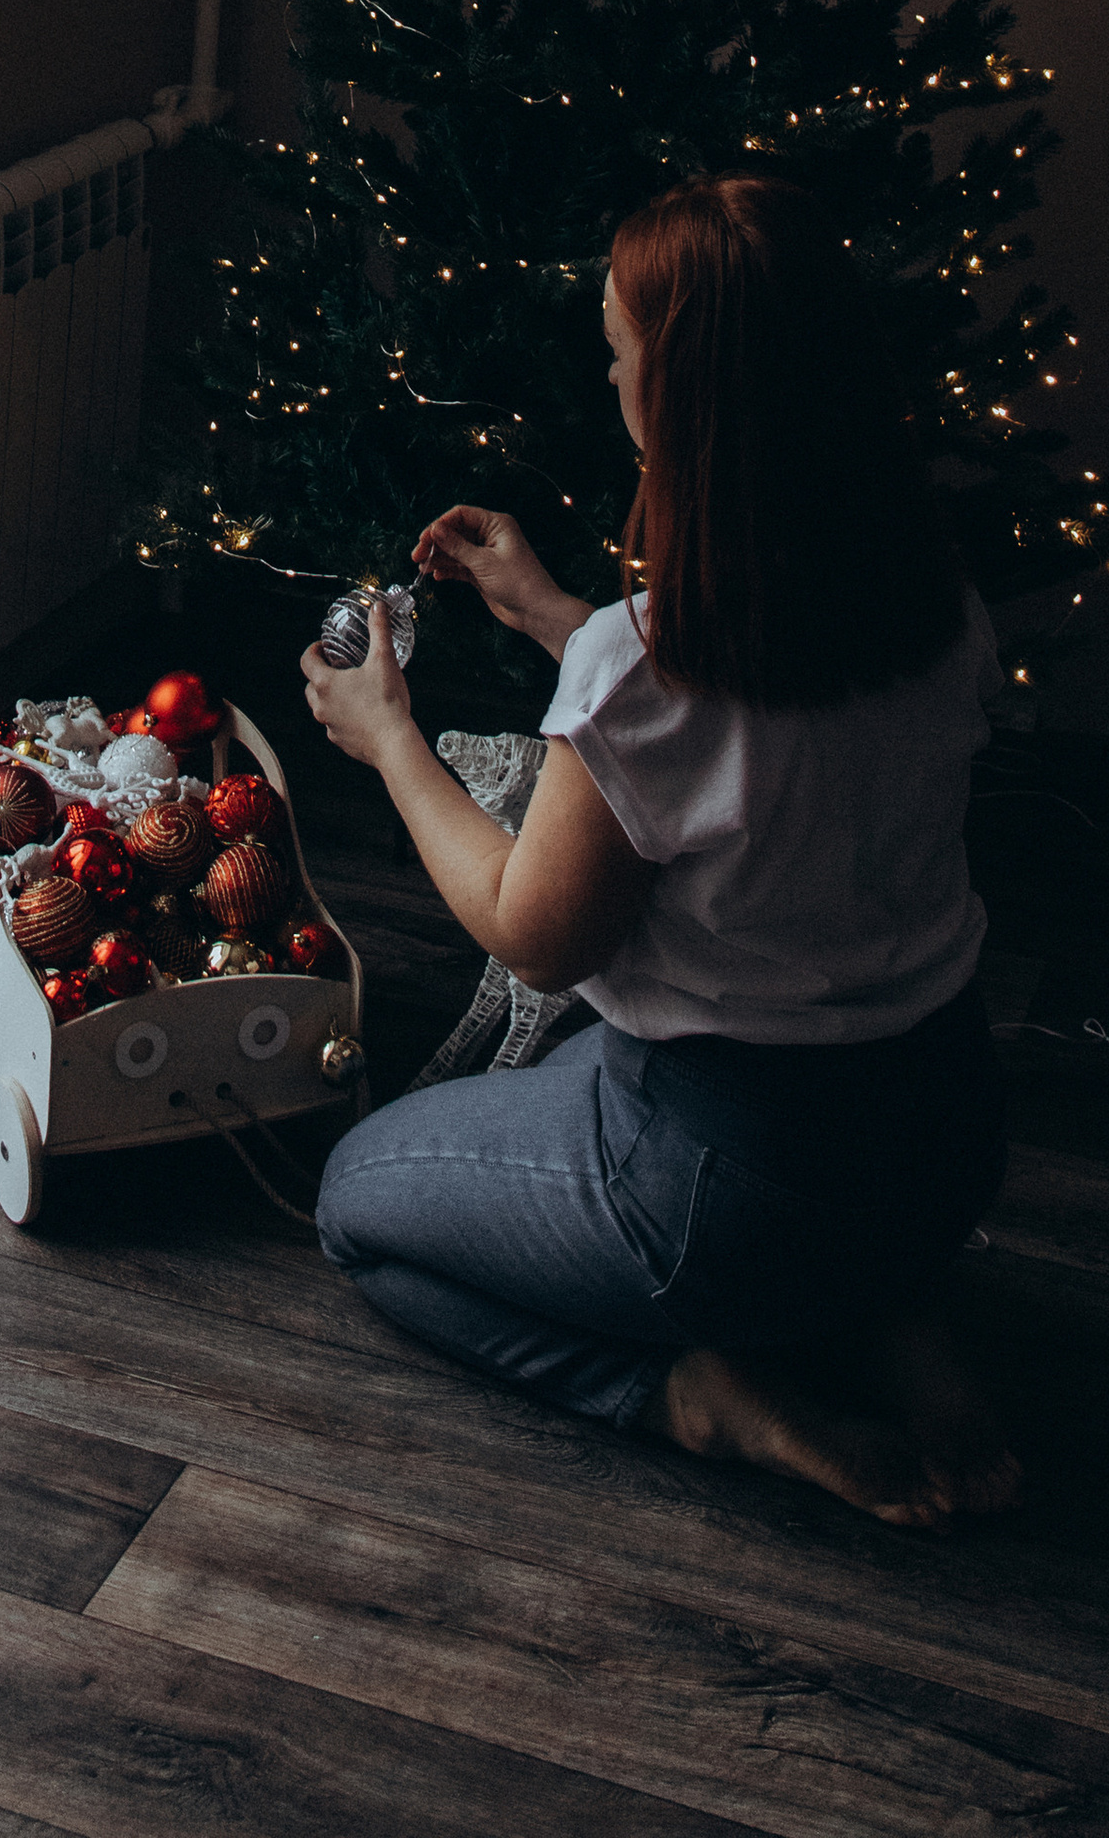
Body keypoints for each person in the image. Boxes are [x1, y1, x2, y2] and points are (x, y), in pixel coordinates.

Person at [307, 172, 1020, 1527]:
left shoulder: (648, 666)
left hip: (738, 1177)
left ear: (682, 402)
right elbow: (750, 723)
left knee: (357, 1206)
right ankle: (888, 1306)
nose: (611, 376)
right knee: (623, 1100)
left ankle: (690, 1393)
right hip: (942, 1133)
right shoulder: (932, 601)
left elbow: (532, 934)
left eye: (621, 353)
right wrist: (551, 613)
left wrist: (389, 738)